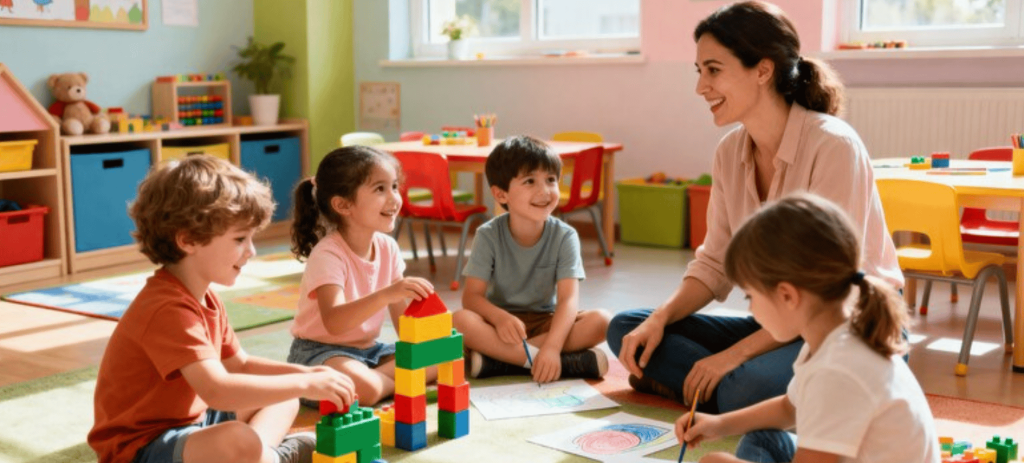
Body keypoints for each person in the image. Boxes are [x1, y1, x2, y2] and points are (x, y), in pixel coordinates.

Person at [607, 0, 903, 414]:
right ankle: (712, 388)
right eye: (699, 72)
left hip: (846, 327)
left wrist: (733, 356)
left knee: (743, 389)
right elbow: (715, 262)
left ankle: (704, 388)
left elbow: (829, 290)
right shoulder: (730, 152)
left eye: (713, 70)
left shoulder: (834, 146)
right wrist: (659, 319)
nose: (700, 87)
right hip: (778, 321)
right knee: (627, 330)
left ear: (763, 71)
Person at [659, 194, 939, 463]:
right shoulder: (831, 334)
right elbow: (790, 408)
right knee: (761, 439)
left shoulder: (839, 367)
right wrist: (719, 425)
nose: (750, 310)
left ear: (788, 295)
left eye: (751, 297)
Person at [87, 156, 356, 463]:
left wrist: (307, 376)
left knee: (283, 400)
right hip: (138, 459)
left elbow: (239, 364)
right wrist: (304, 384)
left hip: (191, 426)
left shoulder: (204, 296)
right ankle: (274, 461)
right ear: (188, 240)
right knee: (239, 438)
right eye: (240, 239)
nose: (252, 251)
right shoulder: (167, 308)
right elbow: (217, 389)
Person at [453, 135, 611, 382]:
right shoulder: (488, 235)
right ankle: (551, 362)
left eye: (550, 179)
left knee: (602, 321)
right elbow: (471, 297)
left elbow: (568, 299)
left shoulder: (565, 236)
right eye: (530, 181)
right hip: (500, 324)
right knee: (460, 320)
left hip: (546, 322)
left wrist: (552, 347)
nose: (544, 191)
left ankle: (498, 361)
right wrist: (499, 317)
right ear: (501, 194)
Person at [288, 146, 435, 406]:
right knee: (363, 389)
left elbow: (403, 322)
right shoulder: (328, 254)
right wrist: (387, 294)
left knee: (440, 357)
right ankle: (388, 384)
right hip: (320, 353)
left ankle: (383, 384)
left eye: (394, 187)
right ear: (343, 205)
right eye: (380, 189)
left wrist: (423, 346)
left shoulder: (388, 246)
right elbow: (335, 322)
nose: (394, 199)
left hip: (369, 351)